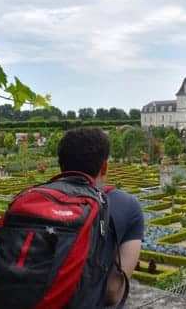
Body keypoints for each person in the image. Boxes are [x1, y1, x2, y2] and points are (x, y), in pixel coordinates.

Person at [57, 127, 144, 306]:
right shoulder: (126, 204)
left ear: (61, 164)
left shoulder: (32, 197)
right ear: (104, 166)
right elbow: (112, 292)